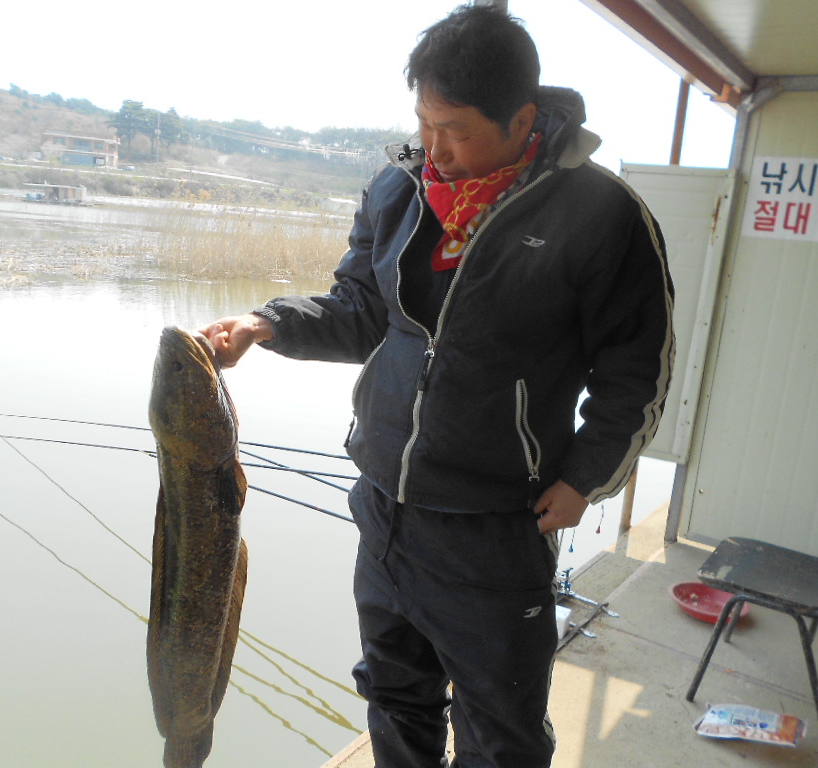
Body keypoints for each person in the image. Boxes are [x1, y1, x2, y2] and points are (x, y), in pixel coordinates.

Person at [199, 5, 673, 767]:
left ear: (523, 120)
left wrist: (587, 478)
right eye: (424, 122)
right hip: (385, 506)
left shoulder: (601, 214)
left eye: (455, 130)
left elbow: (636, 374)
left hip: (497, 525)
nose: (435, 148)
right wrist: (267, 325)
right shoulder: (397, 188)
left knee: (500, 731)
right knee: (395, 699)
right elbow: (362, 311)